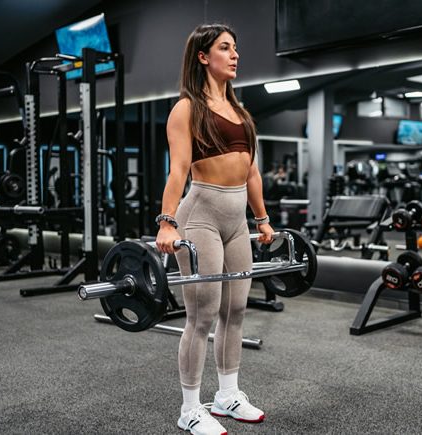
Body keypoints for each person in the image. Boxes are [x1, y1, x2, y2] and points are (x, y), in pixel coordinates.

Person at [155, 24, 273, 435]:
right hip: (201, 213)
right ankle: (189, 407)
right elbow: (179, 170)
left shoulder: (241, 114)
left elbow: (252, 172)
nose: (235, 55)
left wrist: (262, 220)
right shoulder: (186, 109)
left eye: (235, 48)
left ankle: (227, 394)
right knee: (201, 315)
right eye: (225, 48)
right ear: (204, 57)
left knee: (235, 310)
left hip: (237, 221)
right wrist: (168, 222)